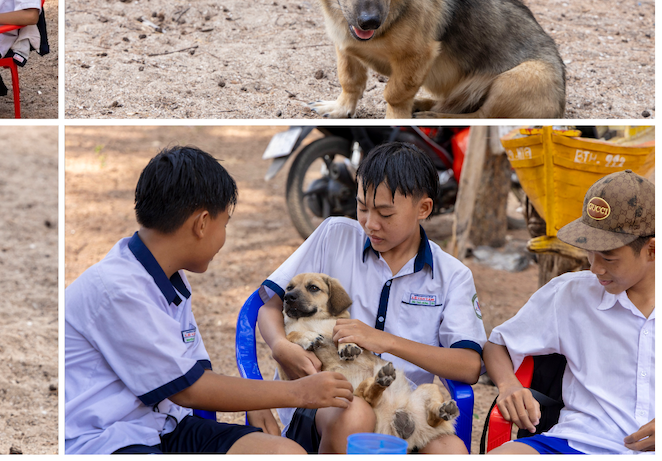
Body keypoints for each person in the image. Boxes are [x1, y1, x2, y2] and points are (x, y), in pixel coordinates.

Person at [65, 146, 354, 455]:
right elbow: (190, 390)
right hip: (107, 439)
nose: (224, 236)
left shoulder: (168, 278)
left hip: (165, 426)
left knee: (288, 454)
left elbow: (198, 376)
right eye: (224, 224)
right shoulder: (116, 289)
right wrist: (297, 393)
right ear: (202, 224)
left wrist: (259, 401)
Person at [255, 142, 484, 453]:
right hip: (327, 400)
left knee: (451, 450)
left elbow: (469, 365)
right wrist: (280, 346)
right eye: (362, 207)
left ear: (424, 209)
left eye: (385, 213)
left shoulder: (452, 275)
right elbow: (269, 303)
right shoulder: (334, 235)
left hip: (401, 411)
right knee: (356, 412)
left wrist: (385, 341)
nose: (370, 223)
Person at [485, 170, 654, 455]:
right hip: (575, 443)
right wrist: (508, 384)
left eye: (609, 257)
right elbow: (497, 344)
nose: (595, 268)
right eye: (590, 252)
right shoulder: (571, 294)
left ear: (651, 249)